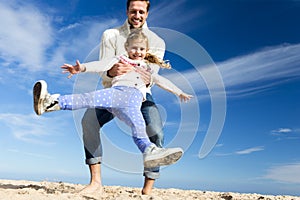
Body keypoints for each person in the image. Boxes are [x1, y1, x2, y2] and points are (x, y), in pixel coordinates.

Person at [33, 29, 192, 175]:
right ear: (127, 47)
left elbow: (161, 80)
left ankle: (150, 152)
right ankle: (50, 103)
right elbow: (101, 65)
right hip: (115, 94)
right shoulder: (120, 59)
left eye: (142, 49)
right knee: (87, 98)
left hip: (132, 104)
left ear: (146, 51)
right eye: (134, 48)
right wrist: (82, 68)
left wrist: (179, 92)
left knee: (139, 128)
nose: (138, 52)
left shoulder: (147, 68)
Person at [77, 0, 168, 195]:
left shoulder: (158, 42)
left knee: (156, 132)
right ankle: (95, 182)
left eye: (141, 12)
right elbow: (103, 69)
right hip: (113, 90)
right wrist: (111, 71)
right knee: (89, 120)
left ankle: (148, 189)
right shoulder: (111, 35)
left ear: (147, 14)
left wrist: (138, 74)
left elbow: (151, 76)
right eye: (133, 11)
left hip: (140, 94)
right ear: (127, 11)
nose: (137, 15)